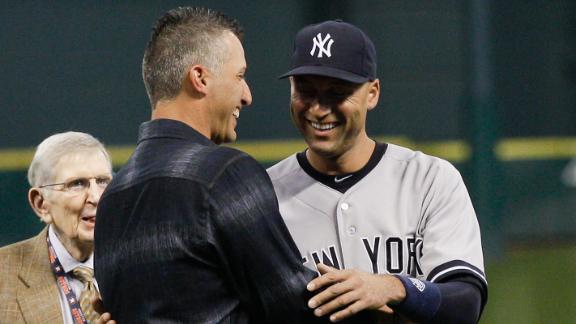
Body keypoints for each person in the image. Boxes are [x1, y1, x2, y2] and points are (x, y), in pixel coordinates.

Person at [93, 7, 374, 324]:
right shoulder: (222, 174)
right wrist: (398, 301)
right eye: (239, 76)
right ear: (200, 78)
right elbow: (296, 308)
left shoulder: (112, 199)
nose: (247, 95)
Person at [267, 20, 488, 323]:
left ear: (372, 94)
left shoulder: (429, 180)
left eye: (336, 93)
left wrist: (392, 288)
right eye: (306, 91)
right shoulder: (265, 197)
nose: (318, 109)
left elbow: (464, 304)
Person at [0, 131, 113, 324]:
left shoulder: (143, 267)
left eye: (103, 181)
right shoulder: (4, 275)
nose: (95, 197)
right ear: (41, 204)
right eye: (77, 184)